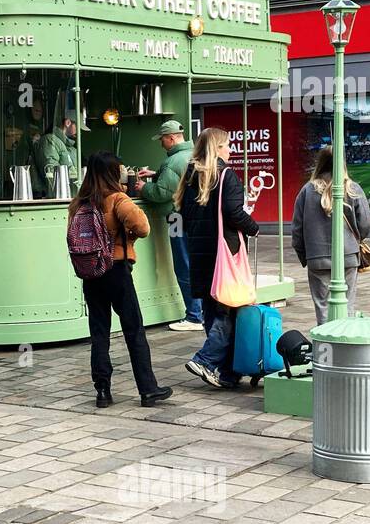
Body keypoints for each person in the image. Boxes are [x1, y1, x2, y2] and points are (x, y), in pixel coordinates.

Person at [70, 151, 172, 408]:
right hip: (116, 269)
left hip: (91, 273)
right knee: (133, 329)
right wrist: (127, 236)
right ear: (112, 173)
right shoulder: (118, 199)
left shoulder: (79, 203)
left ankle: (102, 391)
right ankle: (148, 390)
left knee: (99, 332)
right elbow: (143, 228)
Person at [176, 127, 260, 389]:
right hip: (224, 252)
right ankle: (206, 359)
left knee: (213, 309)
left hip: (200, 251)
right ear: (216, 148)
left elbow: (185, 216)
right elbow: (234, 212)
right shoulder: (226, 176)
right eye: (226, 145)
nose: (230, 149)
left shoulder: (190, 177)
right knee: (229, 310)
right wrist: (253, 228)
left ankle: (226, 372)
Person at [292, 147, 370, 326]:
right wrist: (356, 241)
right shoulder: (352, 188)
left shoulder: (307, 190)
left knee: (322, 308)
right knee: (348, 305)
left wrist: (305, 255)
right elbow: (365, 223)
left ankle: (326, 348)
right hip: (348, 255)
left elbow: (297, 231)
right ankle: (344, 348)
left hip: (317, 257)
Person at [137, 120, 204, 332]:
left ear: (172, 138)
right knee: (195, 262)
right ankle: (201, 311)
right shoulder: (194, 155)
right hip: (195, 218)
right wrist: (156, 175)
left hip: (177, 219)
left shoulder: (172, 161)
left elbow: (161, 193)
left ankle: (194, 316)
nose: (162, 144)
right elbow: (176, 180)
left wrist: (142, 188)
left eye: (163, 139)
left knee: (183, 263)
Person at [39, 116, 79, 196]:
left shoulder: (69, 146)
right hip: (57, 196)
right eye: (77, 126)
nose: (79, 131)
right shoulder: (49, 140)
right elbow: (50, 171)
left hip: (71, 196)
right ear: (67, 123)